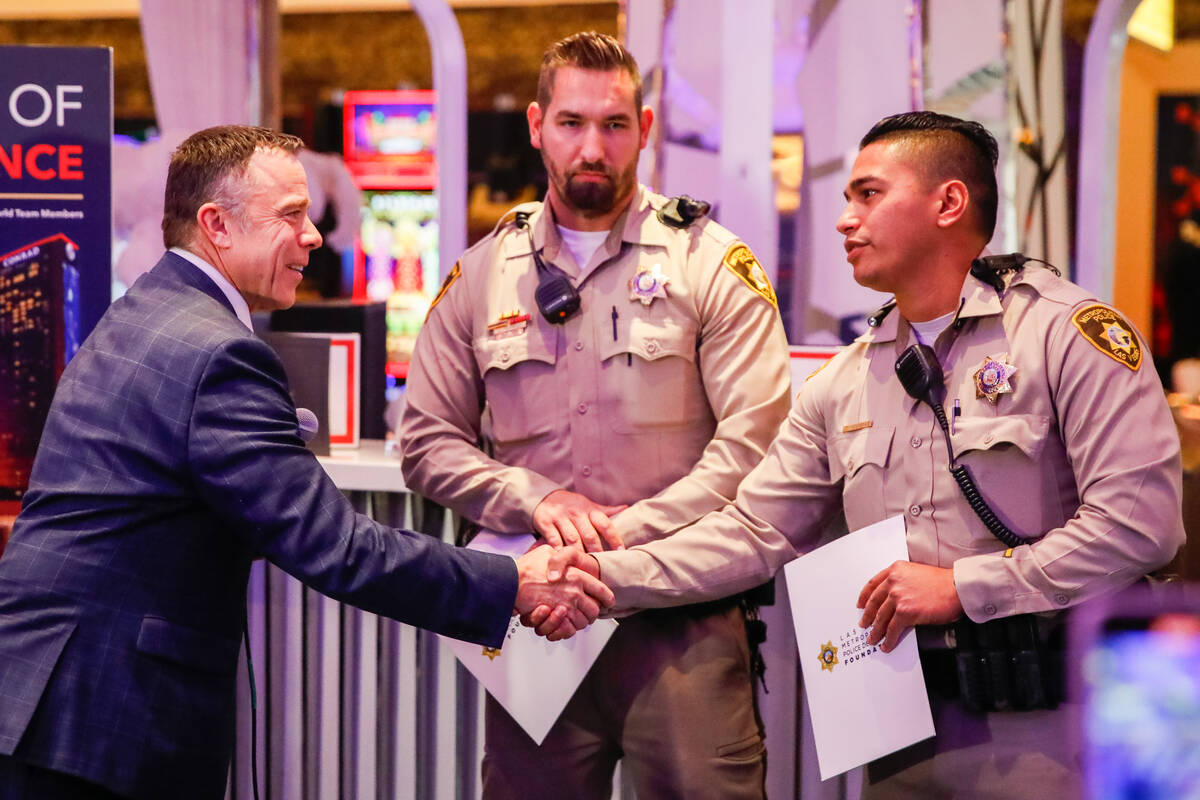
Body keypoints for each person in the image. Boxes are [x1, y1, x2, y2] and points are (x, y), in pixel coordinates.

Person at [573, 111, 1186, 798]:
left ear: (948, 203)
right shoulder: (843, 381)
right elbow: (751, 531)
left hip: (1051, 727)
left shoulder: (1067, 337)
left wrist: (963, 587)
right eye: (848, 199)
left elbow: (1141, 525)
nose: (845, 219)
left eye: (868, 195)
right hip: (898, 725)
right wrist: (596, 578)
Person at [0, 125, 610, 800]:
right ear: (216, 226)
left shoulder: (147, 309)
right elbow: (336, 546)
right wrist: (512, 582)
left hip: (52, 698)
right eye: (289, 216)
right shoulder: (218, 354)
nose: (315, 236)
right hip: (97, 718)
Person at [398, 32, 791, 800]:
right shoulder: (482, 275)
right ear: (537, 124)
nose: (593, 147)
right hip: (540, 633)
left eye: (614, 125)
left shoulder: (709, 262)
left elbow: (753, 450)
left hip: (684, 627)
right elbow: (426, 444)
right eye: (572, 123)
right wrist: (533, 500)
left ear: (644, 128)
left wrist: (614, 543)